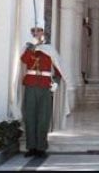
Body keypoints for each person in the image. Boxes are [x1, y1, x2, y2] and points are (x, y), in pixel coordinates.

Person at [20, 24, 68, 158]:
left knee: (43, 117)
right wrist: (32, 47)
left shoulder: (49, 49)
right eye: (34, 31)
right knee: (30, 116)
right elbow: (24, 60)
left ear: (43, 33)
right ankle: (31, 147)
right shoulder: (28, 48)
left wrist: (56, 83)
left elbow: (59, 68)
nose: (37, 33)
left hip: (45, 86)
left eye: (39, 31)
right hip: (30, 84)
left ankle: (41, 147)